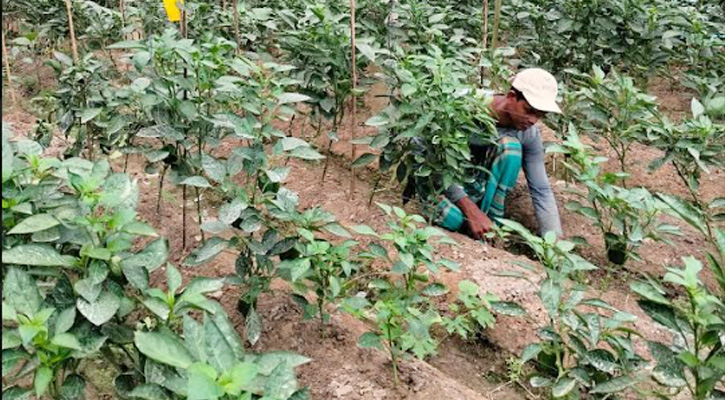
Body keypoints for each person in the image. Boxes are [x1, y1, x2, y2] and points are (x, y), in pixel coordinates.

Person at [423, 68, 563, 239]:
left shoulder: (529, 134)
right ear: (512, 97)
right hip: (439, 178)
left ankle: (491, 227)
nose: (533, 120)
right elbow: (430, 159)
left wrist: (555, 242)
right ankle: (474, 220)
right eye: (529, 111)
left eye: (540, 115)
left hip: (477, 184)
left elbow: (541, 190)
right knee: (454, 220)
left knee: (511, 149)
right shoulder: (463, 106)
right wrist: (471, 211)